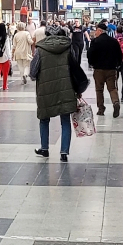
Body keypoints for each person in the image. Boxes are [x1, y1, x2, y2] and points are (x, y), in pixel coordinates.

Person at [30, 24, 81, 161]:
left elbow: (33, 73)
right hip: (67, 87)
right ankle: (64, 152)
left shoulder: (40, 49)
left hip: (46, 90)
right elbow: (75, 68)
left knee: (44, 118)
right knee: (65, 120)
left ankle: (44, 148)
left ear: (46, 35)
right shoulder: (69, 47)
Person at [86, 22, 123, 117]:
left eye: (96, 30)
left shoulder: (95, 41)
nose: (95, 32)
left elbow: (90, 54)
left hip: (99, 69)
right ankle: (115, 102)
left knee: (99, 90)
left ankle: (101, 109)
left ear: (100, 30)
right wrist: (118, 65)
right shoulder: (114, 41)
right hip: (111, 69)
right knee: (112, 88)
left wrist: (91, 63)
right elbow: (120, 55)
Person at [11, 22, 34, 88]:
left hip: (18, 53)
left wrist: (12, 54)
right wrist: (34, 41)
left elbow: (14, 46)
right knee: (27, 65)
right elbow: (30, 42)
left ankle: (22, 79)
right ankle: (25, 74)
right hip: (25, 52)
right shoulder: (27, 33)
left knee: (20, 66)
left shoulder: (16, 35)